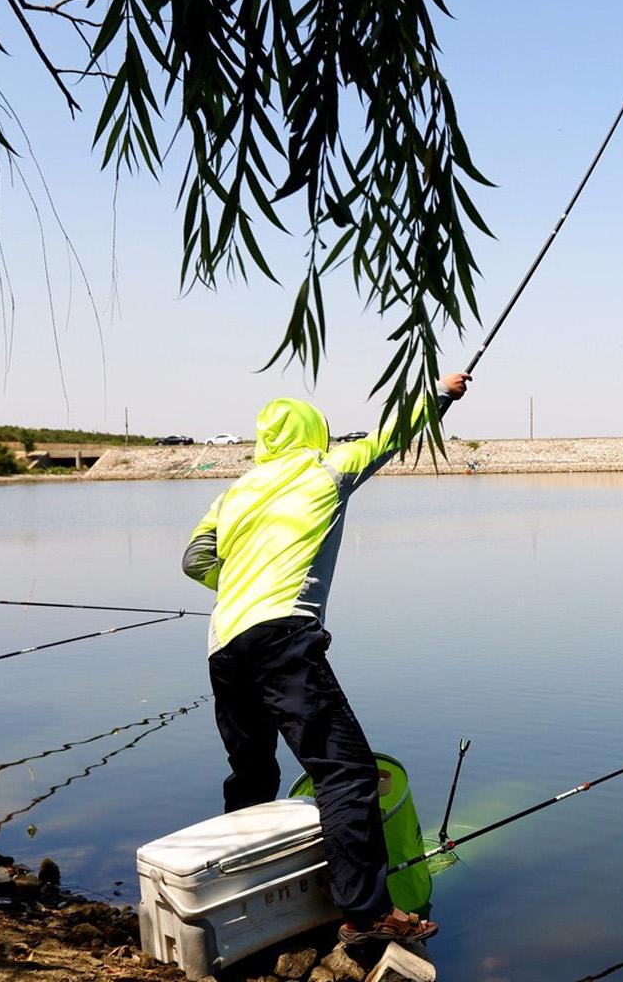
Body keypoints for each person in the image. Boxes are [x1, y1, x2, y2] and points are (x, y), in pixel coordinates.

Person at [181, 372, 470, 945]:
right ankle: (365, 914)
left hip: (223, 645)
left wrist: (234, 583)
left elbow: (194, 560)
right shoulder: (327, 468)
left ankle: (238, 899)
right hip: (282, 635)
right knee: (345, 771)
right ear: (317, 432)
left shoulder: (234, 491)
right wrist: (439, 393)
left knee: (253, 772)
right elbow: (394, 433)